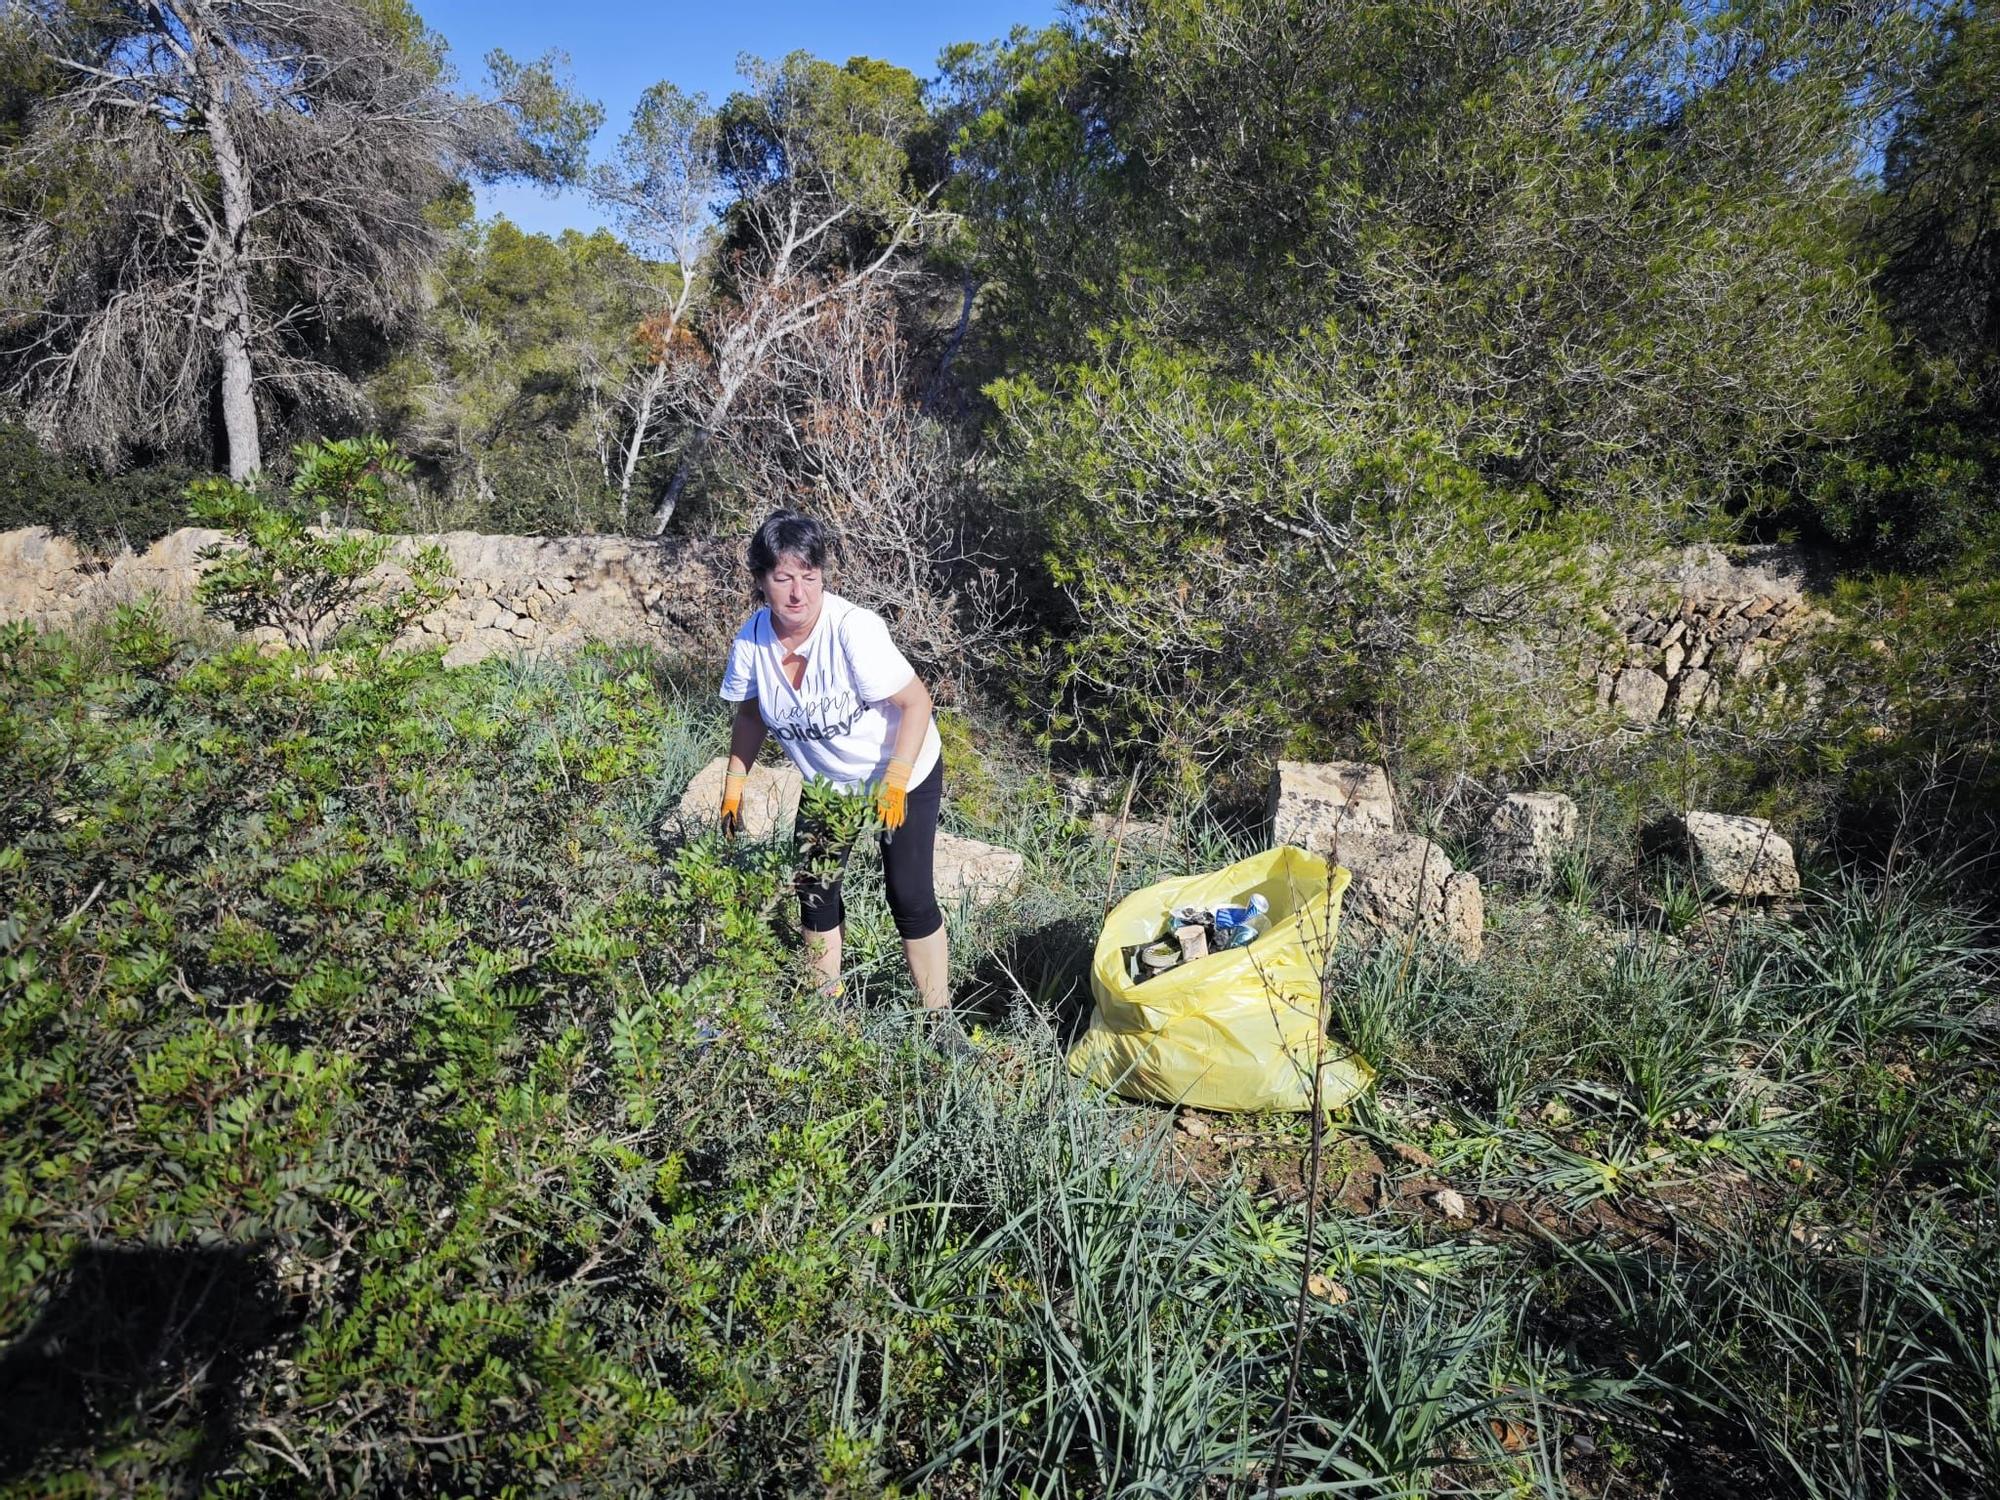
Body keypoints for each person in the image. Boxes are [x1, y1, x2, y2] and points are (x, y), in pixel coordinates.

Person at [716, 509, 953, 1015]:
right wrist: (734, 783)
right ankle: (825, 1012)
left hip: (902, 769)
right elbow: (752, 712)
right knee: (815, 891)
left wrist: (895, 780)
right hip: (831, 785)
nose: (798, 592)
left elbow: (916, 703)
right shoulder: (751, 641)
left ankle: (939, 1019)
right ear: (761, 580)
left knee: (908, 895)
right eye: (783, 578)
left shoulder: (852, 630)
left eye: (810, 576)